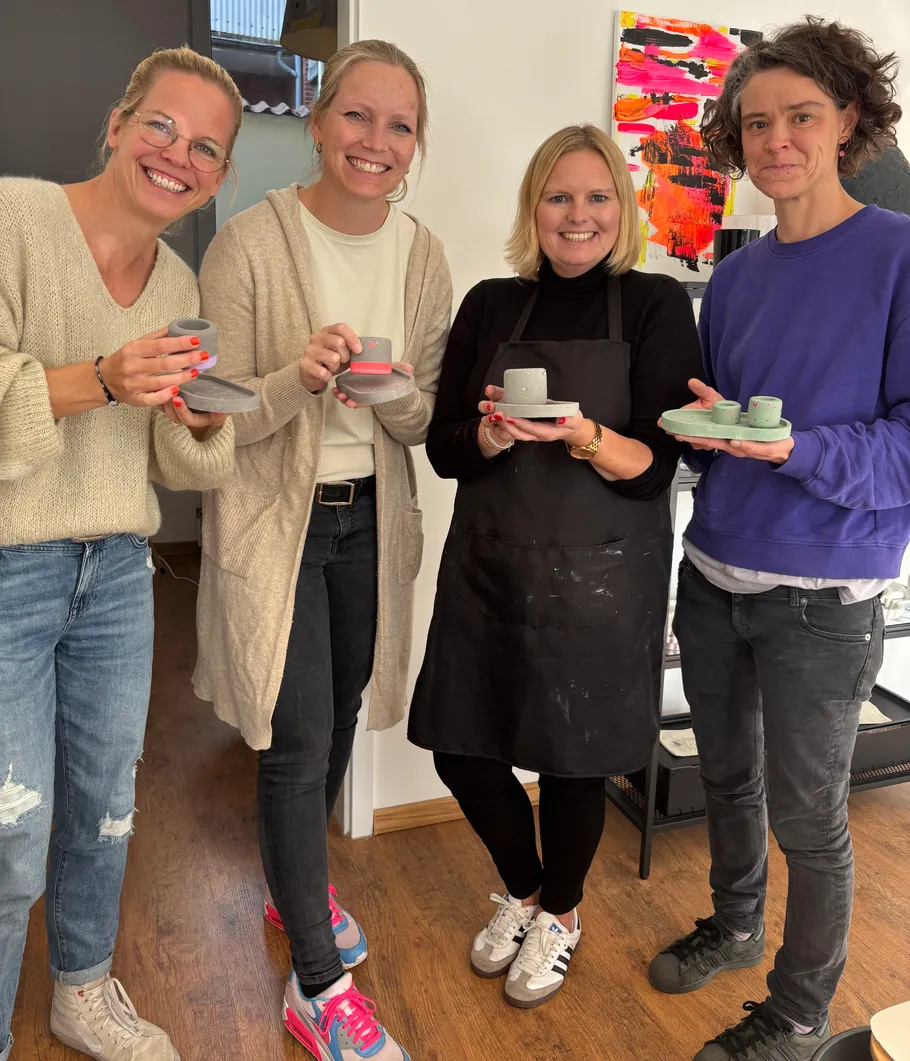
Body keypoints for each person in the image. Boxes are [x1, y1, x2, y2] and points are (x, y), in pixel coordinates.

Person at [648, 18, 910, 1061]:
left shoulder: (898, 252)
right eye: (755, 122)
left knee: (812, 820)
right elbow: (722, 431)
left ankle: (798, 1013)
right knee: (725, 779)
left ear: (847, 120)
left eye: (800, 115)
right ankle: (736, 919)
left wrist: (791, 448)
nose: (775, 140)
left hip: (824, 595)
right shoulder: (741, 272)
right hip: (711, 571)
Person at [193, 39, 451, 1061]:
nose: (375, 142)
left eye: (398, 126)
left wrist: (390, 398)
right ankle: (316, 981)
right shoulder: (250, 245)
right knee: (296, 742)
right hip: (281, 526)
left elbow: (423, 417)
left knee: (341, 706)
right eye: (358, 116)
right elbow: (210, 420)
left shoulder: (421, 254)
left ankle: (289, 882)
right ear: (317, 118)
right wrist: (297, 380)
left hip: (370, 521)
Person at [407, 124, 703, 1009]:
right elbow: (445, 448)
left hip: (604, 579)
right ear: (533, 208)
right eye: (559, 197)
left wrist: (581, 436)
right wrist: (493, 432)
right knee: (461, 746)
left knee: (575, 761)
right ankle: (529, 892)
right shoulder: (492, 304)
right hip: (492, 568)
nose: (578, 216)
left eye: (597, 196)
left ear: (623, 207)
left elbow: (658, 467)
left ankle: (564, 913)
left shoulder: (654, 304)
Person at [0, 47, 240, 1061]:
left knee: (104, 805)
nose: (178, 156)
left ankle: (82, 988)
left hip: (118, 577)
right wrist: (97, 376)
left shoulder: (180, 279)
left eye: (205, 149)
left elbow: (185, 466)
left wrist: (195, 413)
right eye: (162, 127)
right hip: (11, 566)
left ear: (219, 176)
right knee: (10, 827)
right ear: (115, 123)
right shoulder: (13, 217)